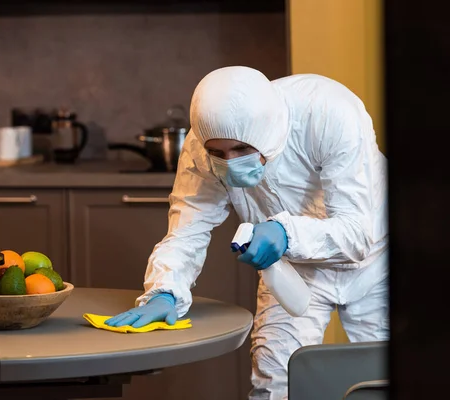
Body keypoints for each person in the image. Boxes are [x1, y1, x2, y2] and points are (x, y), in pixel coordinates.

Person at [105, 66, 389, 399]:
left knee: (387, 377)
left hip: (378, 259)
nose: (229, 162)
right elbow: (188, 227)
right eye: (219, 153)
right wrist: (166, 288)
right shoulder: (200, 145)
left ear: (267, 133)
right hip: (290, 267)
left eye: (241, 149)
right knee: (275, 383)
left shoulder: (328, 112)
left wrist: (286, 232)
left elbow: (356, 234)